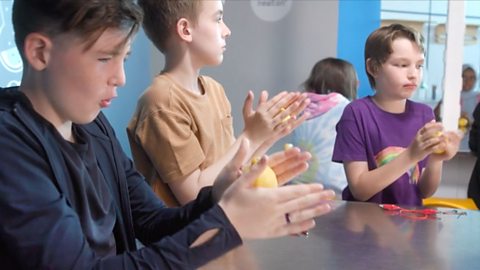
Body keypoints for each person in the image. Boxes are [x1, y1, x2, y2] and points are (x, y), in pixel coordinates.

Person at [0, 1, 335, 268]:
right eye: (104, 58)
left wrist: (220, 195)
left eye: (124, 58)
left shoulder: (93, 127)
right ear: (41, 52)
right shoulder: (10, 146)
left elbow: (153, 221)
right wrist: (229, 223)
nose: (121, 78)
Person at [127, 0, 309, 207]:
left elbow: (228, 170)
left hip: (221, 231)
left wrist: (263, 140)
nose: (227, 31)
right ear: (185, 29)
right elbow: (195, 195)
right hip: (185, 238)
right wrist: (250, 136)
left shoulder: (215, 90)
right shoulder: (160, 103)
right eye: (218, 19)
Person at [332, 23, 462, 206]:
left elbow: (425, 191)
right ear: (373, 68)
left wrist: (435, 160)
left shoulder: (424, 114)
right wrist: (411, 156)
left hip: (409, 226)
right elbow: (360, 189)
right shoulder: (356, 113)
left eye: (419, 66)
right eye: (401, 65)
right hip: (363, 227)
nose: (413, 74)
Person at [291, 57, 358, 194]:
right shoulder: (348, 109)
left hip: (297, 185)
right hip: (334, 189)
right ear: (350, 84)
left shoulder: (301, 106)